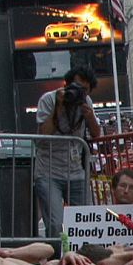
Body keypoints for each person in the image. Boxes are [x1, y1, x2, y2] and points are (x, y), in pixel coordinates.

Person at [34, 65, 102, 242]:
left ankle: (85, 257)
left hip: (76, 171)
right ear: (66, 84)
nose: (79, 92)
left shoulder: (85, 102)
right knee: (56, 224)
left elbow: (96, 134)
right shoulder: (48, 100)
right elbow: (43, 135)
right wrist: (59, 107)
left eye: (85, 90)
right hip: (49, 171)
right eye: (76, 87)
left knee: (86, 220)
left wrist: (89, 116)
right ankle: (58, 258)